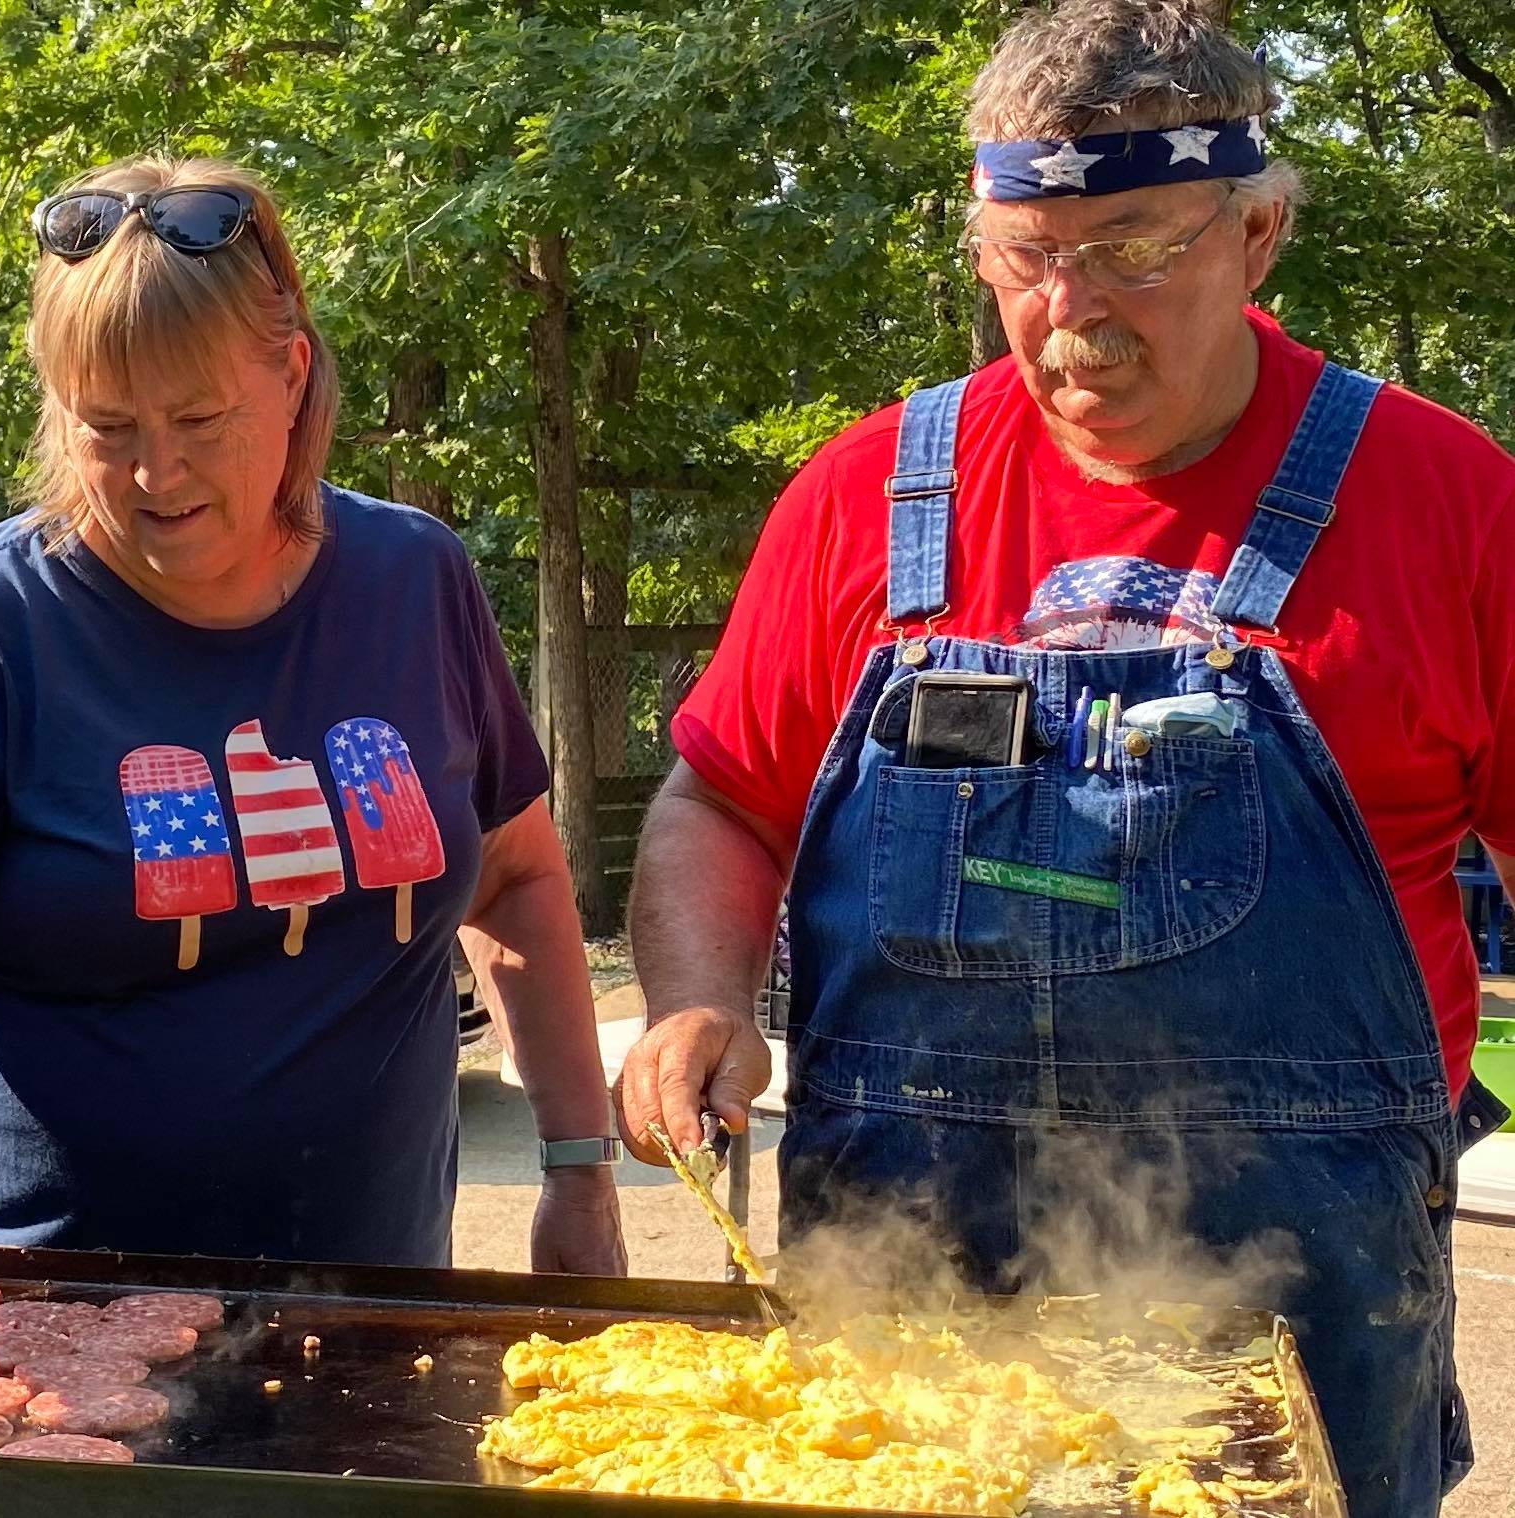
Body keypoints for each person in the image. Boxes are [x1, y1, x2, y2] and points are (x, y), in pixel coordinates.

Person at [616, 2, 1514, 1511]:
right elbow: (720, 798)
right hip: (905, 1292)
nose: (1073, 310)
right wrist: (696, 1001)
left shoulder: (1451, 501)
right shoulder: (860, 497)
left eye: (1135, 249)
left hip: (1303, 1306)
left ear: (1258, 235)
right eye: (1025, 255)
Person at [0, 154, 626, 1277]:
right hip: (40, 1305)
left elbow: (513, 879)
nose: (155, 473)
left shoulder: (415, 581)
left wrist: (578, 1166)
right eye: (107, 425)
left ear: (292, 374)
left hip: (373, 1300)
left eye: (199, 418)